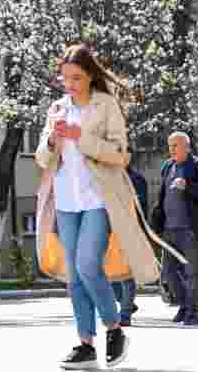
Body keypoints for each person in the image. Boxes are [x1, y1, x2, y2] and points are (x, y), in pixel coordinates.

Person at [35, 44, 177, 369]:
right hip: (66, 200)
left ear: (90, 76)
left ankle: (114, 329)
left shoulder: (106, 105)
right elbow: (44, 159)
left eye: (77, 78)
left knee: (87, 265)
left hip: (98, 199)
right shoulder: (57, 108)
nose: (70, 85)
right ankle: (85, 344)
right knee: (74, 275)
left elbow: (119, 154)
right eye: (65, 78)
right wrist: (53, 141)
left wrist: (79, 136)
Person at [151, 131, 198, 326]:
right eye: (170, 146)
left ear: (187, 147)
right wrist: (156, 223)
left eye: (176, 146)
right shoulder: (167, 167)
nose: (171, 150)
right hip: (169, 229)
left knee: (192, 273)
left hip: (189, 229)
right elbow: (162, 198)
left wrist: (188, 186)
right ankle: (184, 304)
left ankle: (192, 313)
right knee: (168, 273)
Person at [112, 161, 148, 326]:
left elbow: (142, 209)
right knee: (111, 275)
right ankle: (127, 303)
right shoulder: (106, 176)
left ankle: (125, 314)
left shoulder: (137, 179)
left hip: (130, 231)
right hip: (109, 231)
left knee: (126, 275)